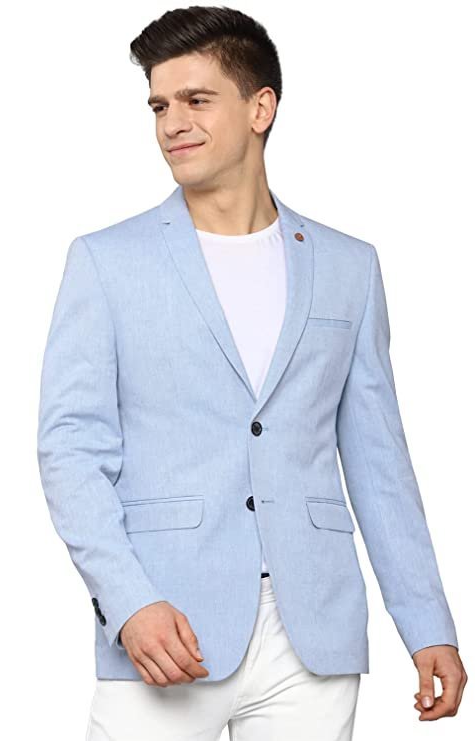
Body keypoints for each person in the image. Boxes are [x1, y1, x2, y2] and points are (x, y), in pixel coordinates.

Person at [36, 6, 467, 740]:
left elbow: (379, 461)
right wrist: (128, 600)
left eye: (196, 100)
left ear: (260, 108)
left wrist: (427, 622)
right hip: (167, 625)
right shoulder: (106, 263)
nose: (172, 123)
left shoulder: (348, 267)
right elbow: (70, 450)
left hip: (315, 632)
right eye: (159, 106)